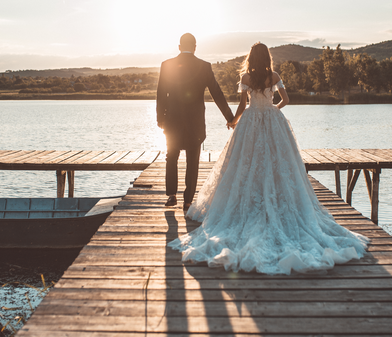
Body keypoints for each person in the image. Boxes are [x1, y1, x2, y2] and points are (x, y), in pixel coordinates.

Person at [167, 42, 369, 275]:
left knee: (245, 163)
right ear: (267, 58)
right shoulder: (273, 76)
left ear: (251, 59)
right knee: (277, 164)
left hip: (251, 122)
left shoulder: (246, 77)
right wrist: (274, 109)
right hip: (272, 121)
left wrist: (233, 121)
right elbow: (286, 99)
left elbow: (243, 104)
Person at [156, 33, 235, 212]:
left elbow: (161, 93)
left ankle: (171, 195)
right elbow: (217, 93)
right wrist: (229, 117)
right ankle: (188, 201)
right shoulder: (204, 66)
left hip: (172, 121)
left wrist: (160, 118)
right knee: (193, 160)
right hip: (195, 122)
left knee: (171, 157)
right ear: (195, 47)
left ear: (179, 46)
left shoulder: (167, 65)